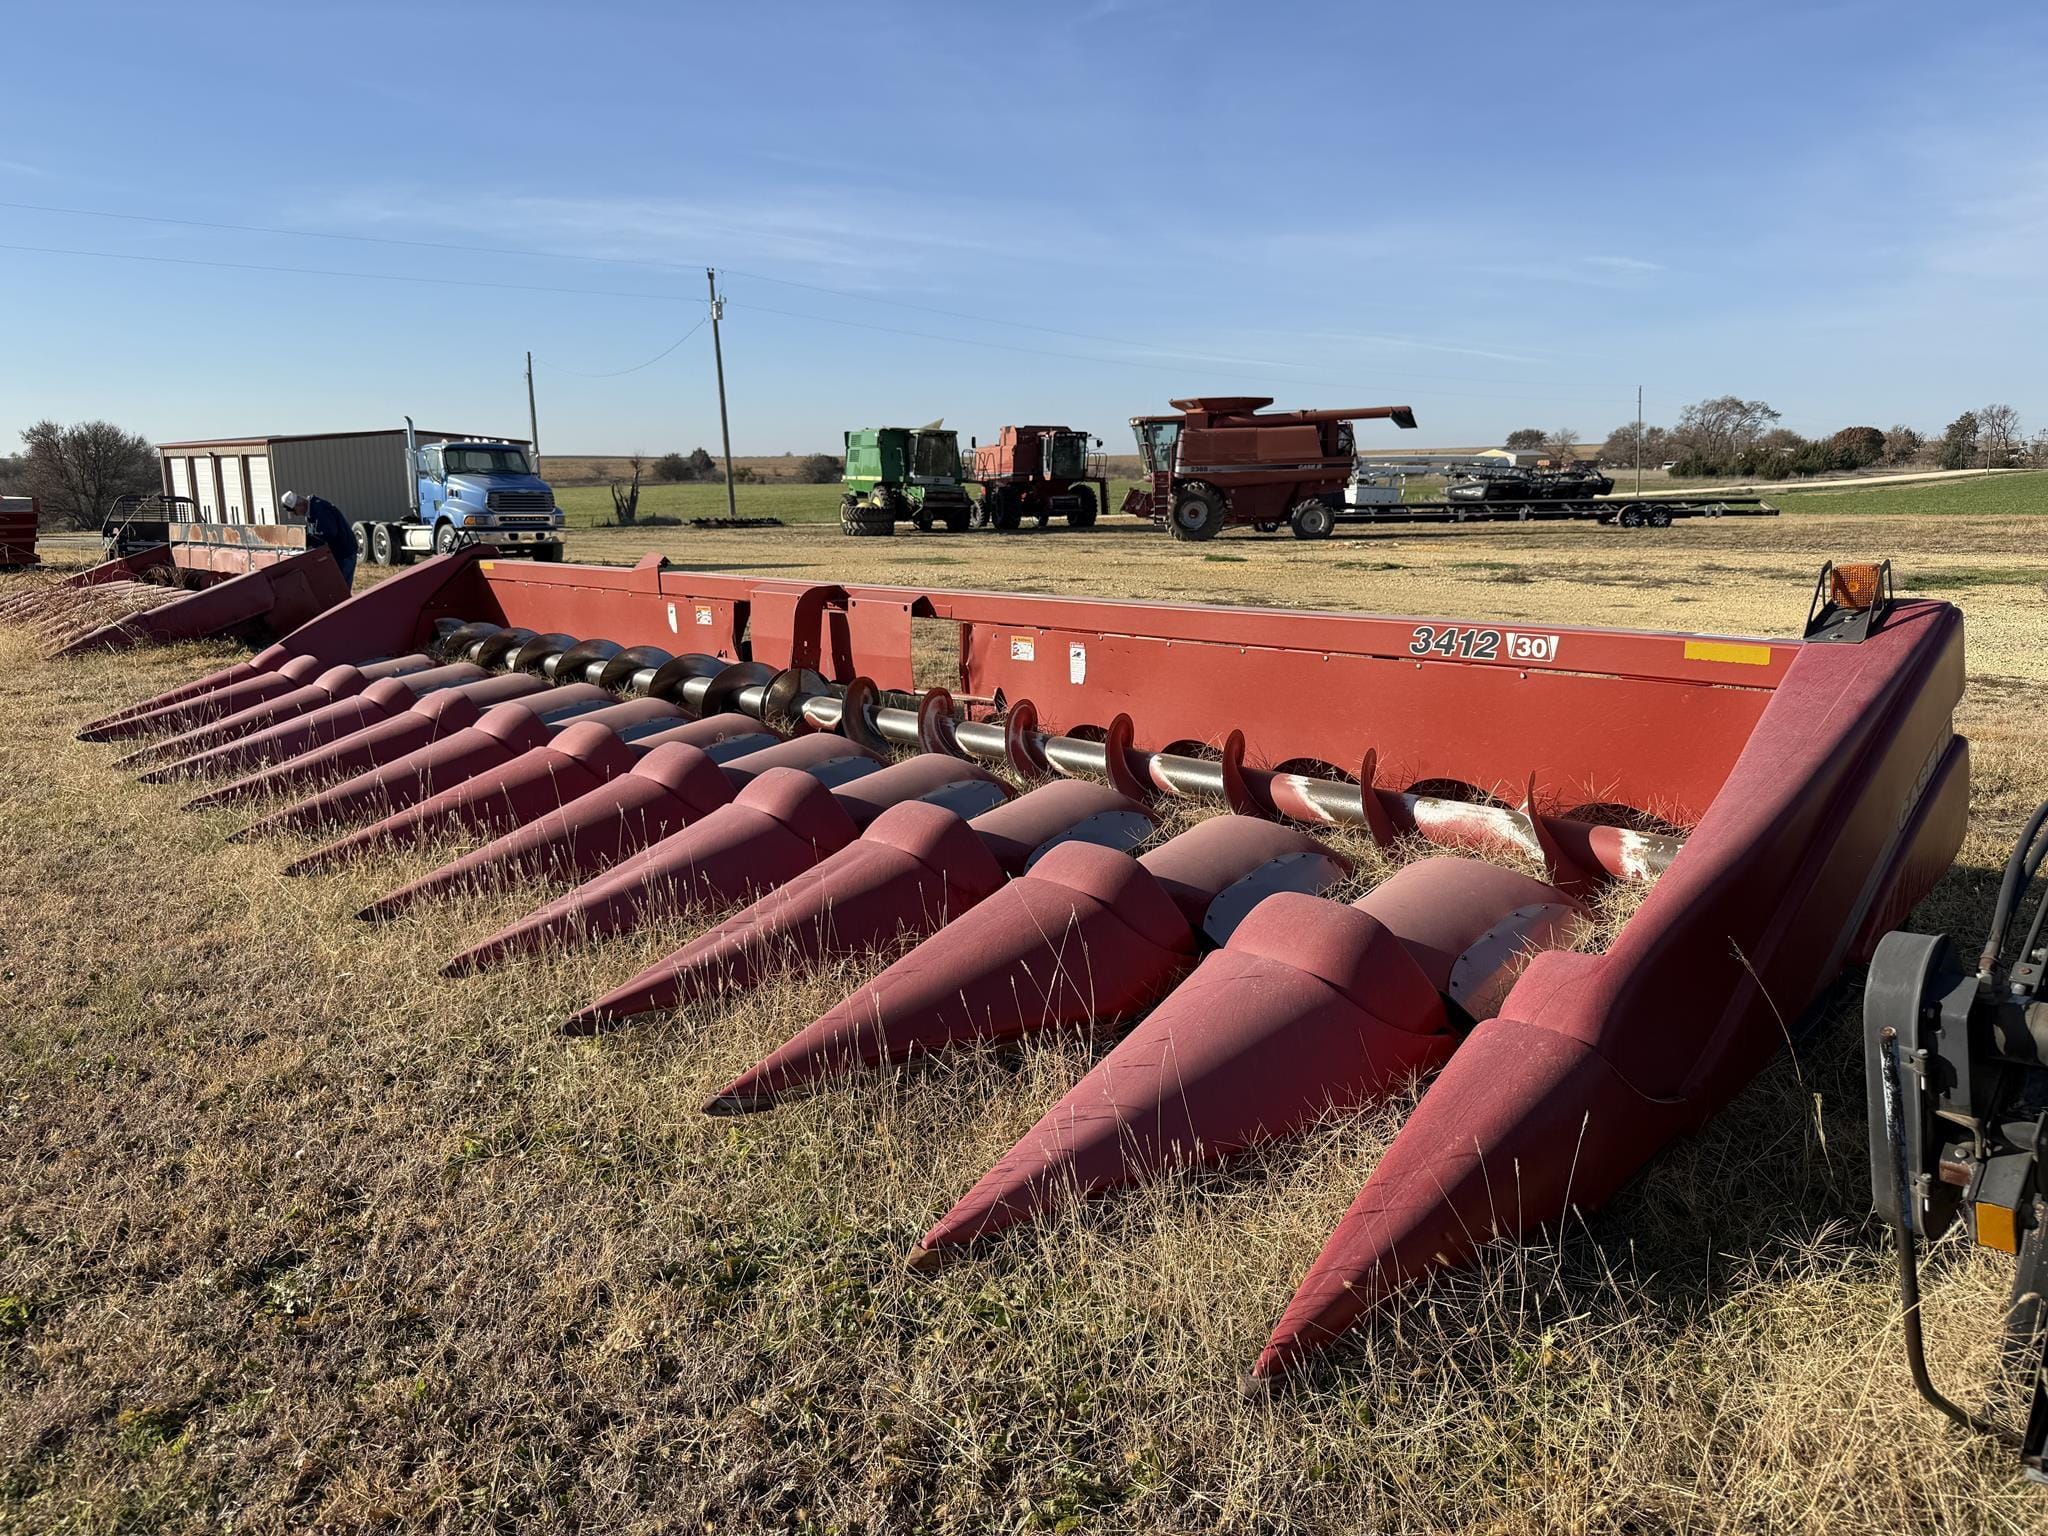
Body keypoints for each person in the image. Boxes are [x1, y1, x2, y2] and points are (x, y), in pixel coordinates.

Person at [280, 489, 359, 588]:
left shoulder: (320, 509)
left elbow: (329, 533)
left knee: (342, 589)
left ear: (299, 505)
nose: (297, 515)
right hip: (337, 554)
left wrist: (309, 540)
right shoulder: (311, 512)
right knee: (336, 588)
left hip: (344, 554)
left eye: (295, 512)